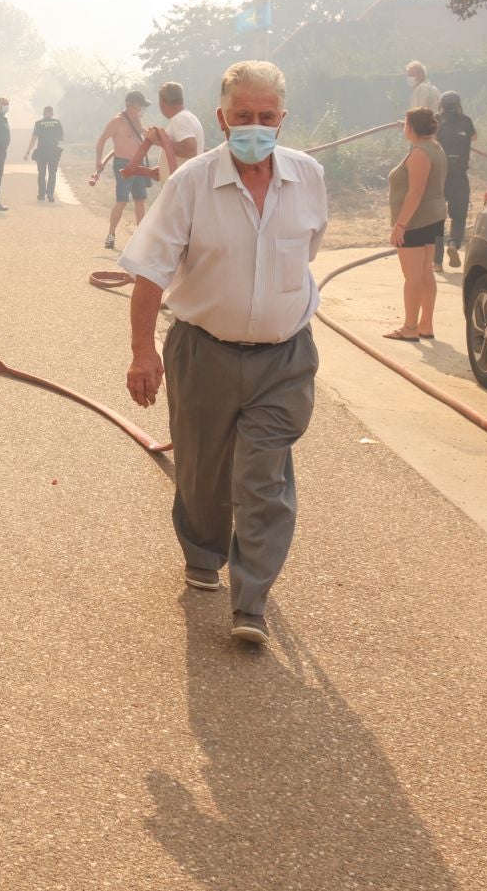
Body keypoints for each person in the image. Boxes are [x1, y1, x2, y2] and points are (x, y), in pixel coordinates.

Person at [119, 60, 328, 647]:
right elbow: (150, 273)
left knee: (263, 475)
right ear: (221, 117)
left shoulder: (308, 178)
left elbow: (309, 248)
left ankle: (252, 600)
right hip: (202, 352)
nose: (254, 127)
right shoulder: (189, 184)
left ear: (282, 119)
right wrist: (143, 352)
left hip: (283, 359)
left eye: (266, 117)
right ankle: (203, 552)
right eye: (243, 117)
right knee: (202, 469)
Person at [385, 107, 448, 341]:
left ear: (411, 127)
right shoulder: (436, 147)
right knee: (424, 272)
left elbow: (415, 192)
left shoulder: (420, 153)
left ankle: (410, 327)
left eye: (406, 123)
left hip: (416, 220)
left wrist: (400, 224)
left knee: (412, 275)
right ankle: (425, 325)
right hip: (432, 217)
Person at [91, 89, 152, 249]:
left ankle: (140, 237)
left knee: (140, 200)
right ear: (130, 105)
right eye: (140, 107)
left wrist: (150, 132)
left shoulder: (137, 121)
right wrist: (98, 160)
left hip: (139, 164)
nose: (141, 110)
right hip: (123, 164)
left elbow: (146, 135)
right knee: (122, 200)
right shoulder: (117, 121)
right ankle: (111, 234)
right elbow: (101, 140)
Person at [434, 91, 477, 270]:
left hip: (439, 177)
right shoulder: (466, 121)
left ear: (441, 106)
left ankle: (436, 262)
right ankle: (453, 244)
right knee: (459, 216)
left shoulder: (435, 121)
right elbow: (473, 137)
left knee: (436, 219)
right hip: (459, 176)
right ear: (459, 105)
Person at [146, 81, 205, 183]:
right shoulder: (186, 117)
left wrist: (160, 141)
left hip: (182, 186)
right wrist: (164, 170)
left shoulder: (181, 119)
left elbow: (190, 150)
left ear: (162, 102)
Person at [22, 105, 65, 201]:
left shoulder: (39, 123)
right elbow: (61, 138)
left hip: (42, 151)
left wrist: (28, 152)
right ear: (52, 113)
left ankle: (41, 194)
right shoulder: (57, 123)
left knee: (41, 173)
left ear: (43, 113)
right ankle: (50, 194)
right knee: (52, 173)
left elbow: (34, 138)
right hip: (53, 151)